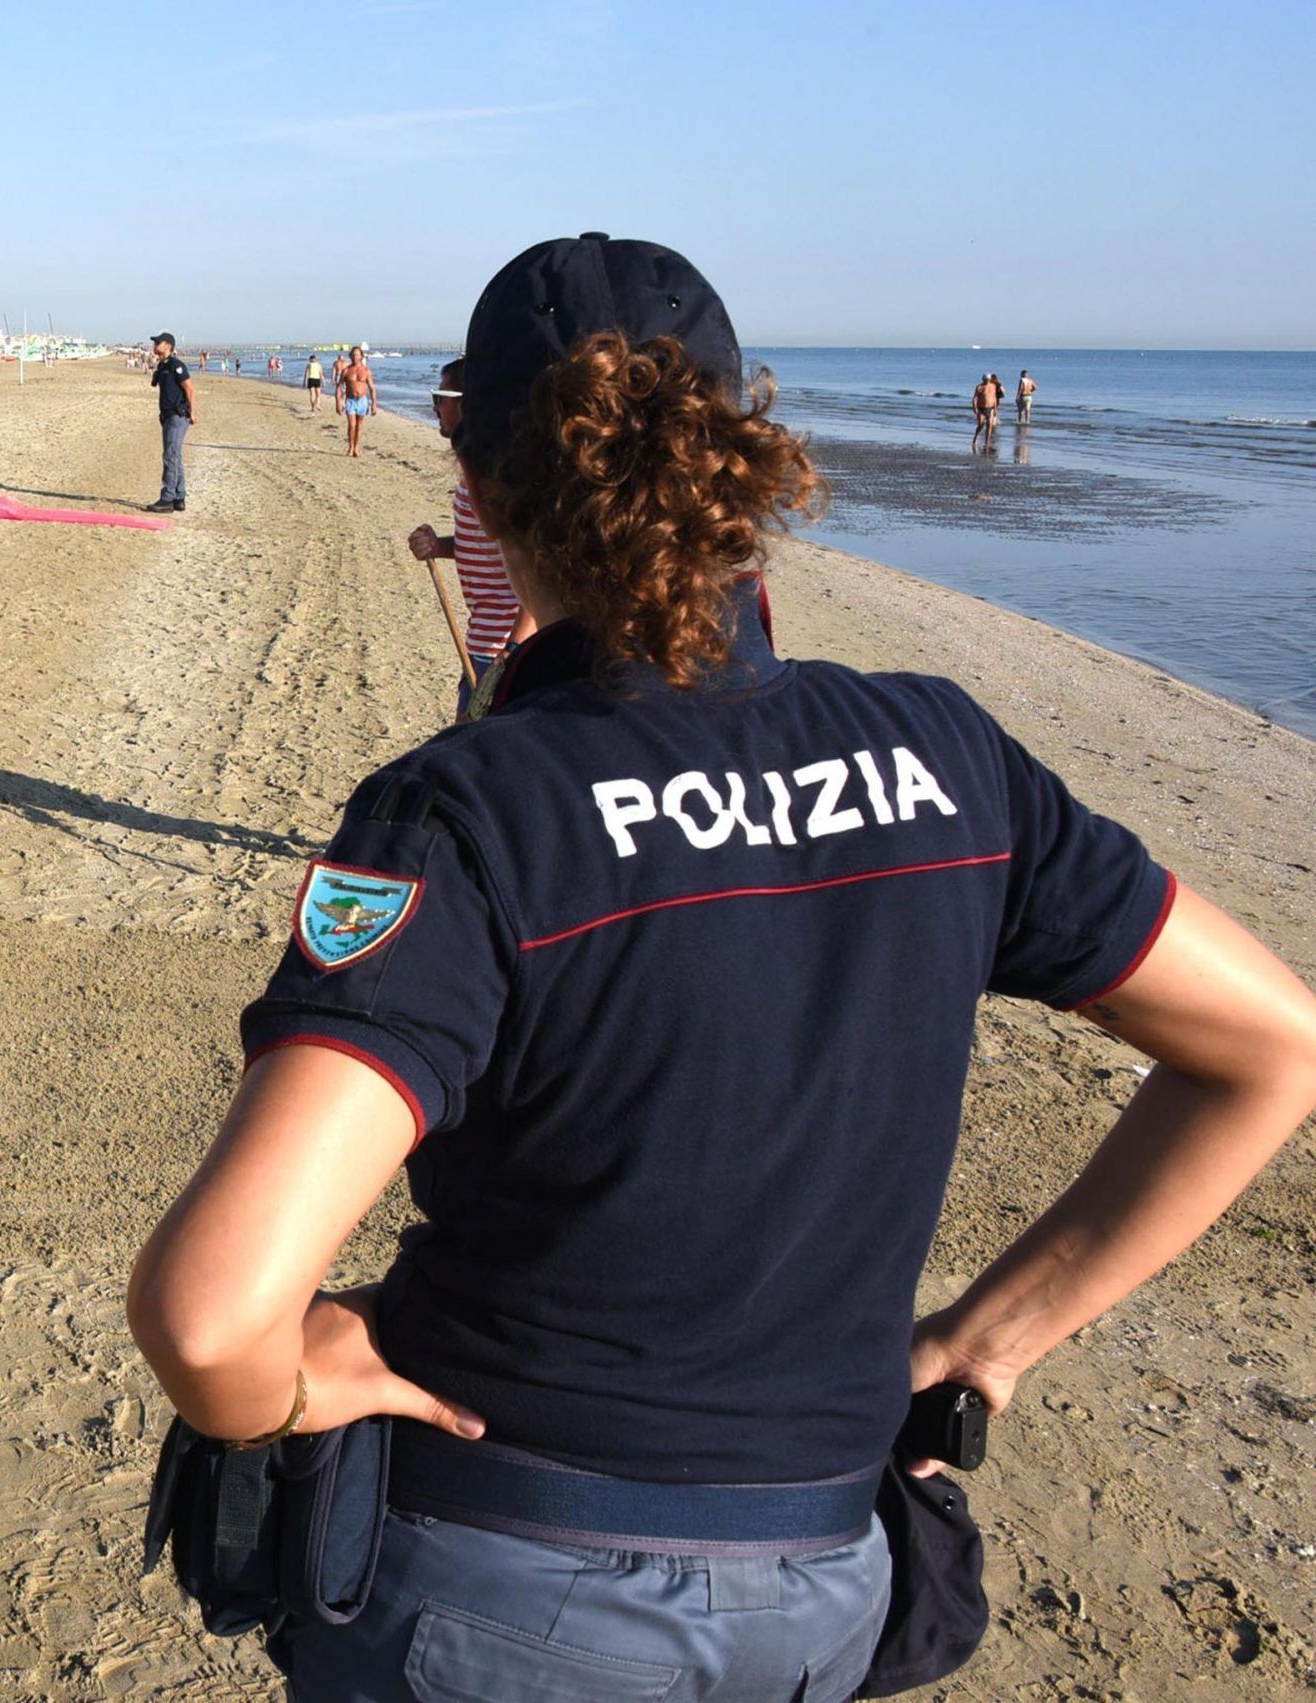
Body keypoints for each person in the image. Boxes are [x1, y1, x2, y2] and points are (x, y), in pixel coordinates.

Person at [126, 232, 1316, 1702]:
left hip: (507, 1577)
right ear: (739, 462)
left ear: (484, 491)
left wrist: (299, 1376)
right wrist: (982, 1339)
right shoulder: (947, 754)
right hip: (824, 1576)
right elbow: (1275, 1043)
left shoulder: (469, 811)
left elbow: (210, 1314)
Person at [408, 355, 533, 711]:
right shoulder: (476, 472)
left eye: (440, 397)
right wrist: (439, 546)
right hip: (483, 641)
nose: (435, 407)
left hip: (502, 649)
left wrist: (510, 653)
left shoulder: (496, 478)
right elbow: (488, 547)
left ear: (467, 403)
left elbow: (537, 567)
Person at [146, 331, 195, 514]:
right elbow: (156, 385)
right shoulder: (162, 366)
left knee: (170, 456)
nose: (155, 345)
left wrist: (193, 412)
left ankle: (167, 497)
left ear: (168, 346)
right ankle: (179, 496)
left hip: (178, 415)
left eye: (158, 342)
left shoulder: (177, 365)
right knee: (175, 455)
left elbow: (190, 390)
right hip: (166, 416)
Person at [341, 343, 375, 457]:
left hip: (362, 400)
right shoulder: (346, 370)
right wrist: (338, 401)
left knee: (359, 426)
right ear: (350, 356)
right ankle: (350, 447)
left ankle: (356, 448)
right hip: (350, 400)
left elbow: (371, 388)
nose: (355, 357)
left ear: (361, 356)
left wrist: (374, 403)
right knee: (352, 425)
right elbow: (339, 387)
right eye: (353, 355)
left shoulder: (366, 371)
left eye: (357, 355)